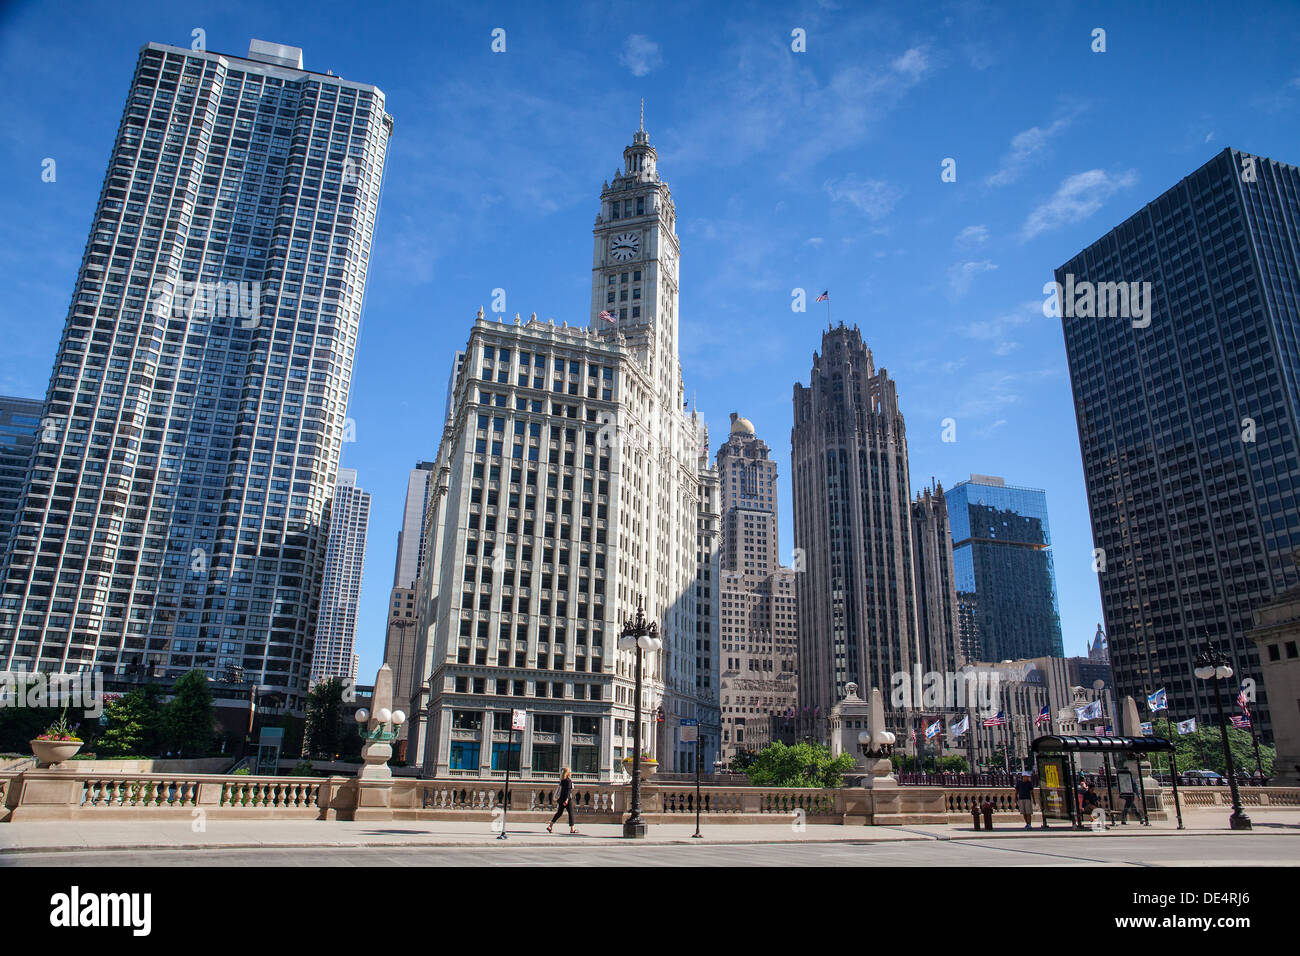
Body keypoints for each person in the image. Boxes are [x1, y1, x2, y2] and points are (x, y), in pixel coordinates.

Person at [547, 767, 578, 834]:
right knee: (571, 813)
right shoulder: (569, 781)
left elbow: (561, 790)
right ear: (568, 773)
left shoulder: (562, 780)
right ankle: (572, 829)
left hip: (561, 799)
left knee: (559, 813)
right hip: (567, 800)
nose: (571, 773)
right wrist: (567, 800)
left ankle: (550, 825)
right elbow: (568, 791)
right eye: (570, 772)